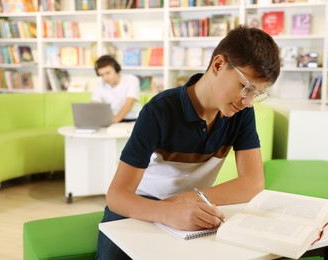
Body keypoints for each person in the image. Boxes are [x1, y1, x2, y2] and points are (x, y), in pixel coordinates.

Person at [96, 25, 281, 260]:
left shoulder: (240, 113)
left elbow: (253, 183)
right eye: (246, 87)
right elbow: (117, 196)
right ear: (218, 65)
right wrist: (166, 211)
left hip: (192, 208)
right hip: (140, 207)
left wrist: (190, 199)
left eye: (257, 93)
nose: (248, 100)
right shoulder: (159, 110)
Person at [91, 55, 141, 123]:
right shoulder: (100, 85)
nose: (105, 78)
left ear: (116, 69)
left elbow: (129, 104)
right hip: (112, 119)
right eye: (102, 75)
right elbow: (94, 105)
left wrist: (114, 121)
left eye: (108, 73)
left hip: (134, 119)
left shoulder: (131, 79)